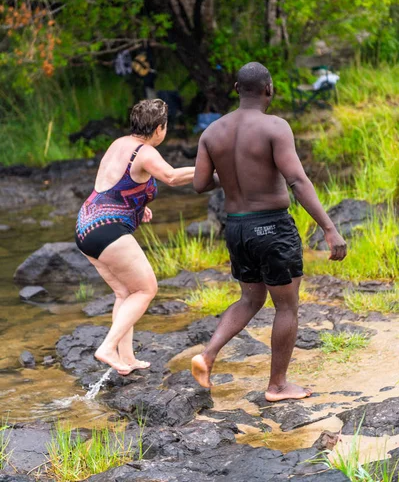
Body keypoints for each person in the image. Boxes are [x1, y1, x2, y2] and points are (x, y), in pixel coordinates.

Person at [191, 62, 347, 401]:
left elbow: (200, 183)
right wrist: (330, 229)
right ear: (269, 89)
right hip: (272, 227)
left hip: (237, 229)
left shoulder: (212, 132)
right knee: (286, 307)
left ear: (236, 88)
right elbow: (297, 180)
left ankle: (206, 355)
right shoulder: (275, 127)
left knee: (250, 298)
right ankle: (277, 386)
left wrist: (233, 175)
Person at [75, 99, 195, 375]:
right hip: (107, 229)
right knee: (146, 289)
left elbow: (112, 187)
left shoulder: (119, 144)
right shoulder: (145, 152)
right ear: (159, 129)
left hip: (86, 226)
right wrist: (212, 171)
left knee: (125, 292)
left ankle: (126, 358)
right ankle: (107, 348)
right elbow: (172, 177)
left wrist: (139, 207)